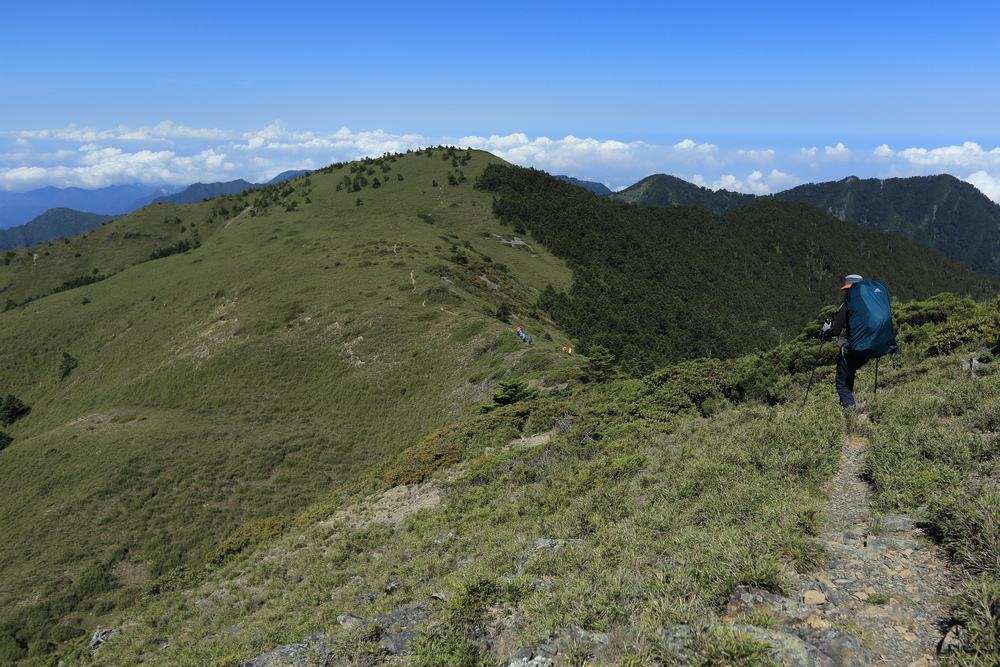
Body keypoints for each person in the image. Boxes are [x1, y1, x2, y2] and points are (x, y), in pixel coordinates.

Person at [821, 274, 867, 408]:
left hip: (852, 349)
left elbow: (835, 331)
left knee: (841, 384)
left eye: (846, 290)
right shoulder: (868, 303)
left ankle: (851, 417)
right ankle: (845, 407)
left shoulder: (846, 305)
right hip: (868, 348)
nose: (845, 293)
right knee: (848, 377)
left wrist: (826, 330)